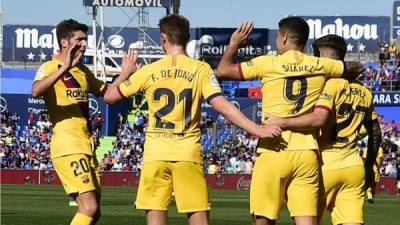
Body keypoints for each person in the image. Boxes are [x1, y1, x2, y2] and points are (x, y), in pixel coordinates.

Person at [103, 14, 281, 225]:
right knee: (198, 218)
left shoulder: (148, 71)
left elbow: (109, 97)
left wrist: (124, 73)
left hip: (155, 153)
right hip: (187, 153)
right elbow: (222, 106)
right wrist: (256, 129)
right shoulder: (200, 69)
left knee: (155, 216)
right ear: (187, 38)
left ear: (163, 38)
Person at [217, 17, 364, 225]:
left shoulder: (268, 63)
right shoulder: (321, 64)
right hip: (307, 152)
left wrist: (234, 45)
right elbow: (357, 67)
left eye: (278, 36)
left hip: (273, 148)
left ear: (284, 38)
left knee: (263, 220)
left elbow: (223, 71)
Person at [265, 34, 382, 225]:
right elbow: (376, 133)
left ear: (325, 59)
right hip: (353, 166)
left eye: (316, 57)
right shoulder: (365, 91)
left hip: (324, 163)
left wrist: (282, 121)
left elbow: (315, 119)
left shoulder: (328, 85)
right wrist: (369, 166)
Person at [31, 19, 132, 225]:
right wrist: (64, 68)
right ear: (64, 42)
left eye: (86, 39)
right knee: (89, 207)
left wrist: (124, 74)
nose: (85, 43)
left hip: (86, 146)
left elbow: (108, 94)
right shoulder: (49, 66)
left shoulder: (83, 71)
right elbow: (36, 91)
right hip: (68, 146)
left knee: (94, 212)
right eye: (80, 39)